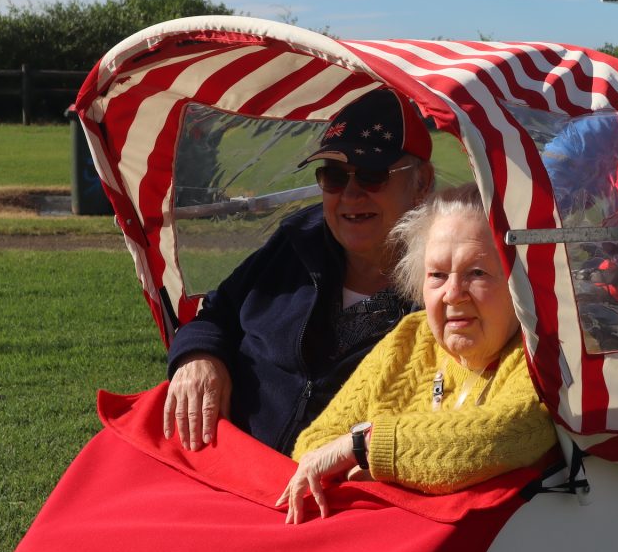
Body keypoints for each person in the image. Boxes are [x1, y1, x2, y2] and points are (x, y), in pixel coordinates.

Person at [163, 87, 436, 454]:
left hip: (344, 493)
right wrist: (199, 357)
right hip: (226, 457)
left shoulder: (447, 280)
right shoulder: (299, 241)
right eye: (335, 176)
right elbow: (217, 313)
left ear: (422, 183)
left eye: (373, 175)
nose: (351, 195)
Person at [277, 184, 557, 522]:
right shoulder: (412, 337)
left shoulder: (541, 353)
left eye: (477, 273)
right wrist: (398, 463)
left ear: (519, 283)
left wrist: (362, 448)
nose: (453, 294)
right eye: (437, 275)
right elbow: (314, 447)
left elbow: (503, 437)